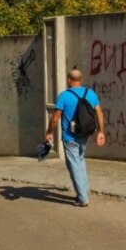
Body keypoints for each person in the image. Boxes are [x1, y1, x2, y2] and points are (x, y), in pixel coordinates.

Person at [45, 68, 106, 207]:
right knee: (80, 160)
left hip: (70, 137)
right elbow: (99, 113)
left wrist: (49, 132)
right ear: (81, 80)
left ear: (68, 80)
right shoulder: (90, 93)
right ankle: (84, 190)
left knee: (73, 165)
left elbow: (55, 118)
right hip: (85, 135)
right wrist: (100, 132)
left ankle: (82, 198)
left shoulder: (64, 96)